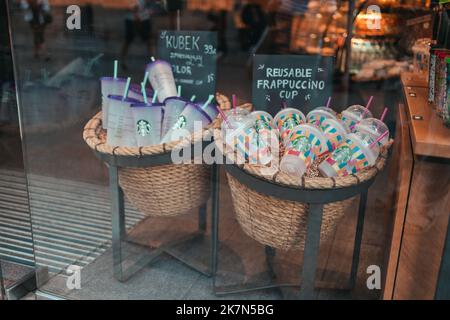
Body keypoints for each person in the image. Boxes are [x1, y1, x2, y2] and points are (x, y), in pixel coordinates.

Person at [121, 0, 152, 70]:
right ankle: (123, 61)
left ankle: (152, 61)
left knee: (148, 41)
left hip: (143, 17)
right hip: (131, 17)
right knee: (128, 40)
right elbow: (123, 4)